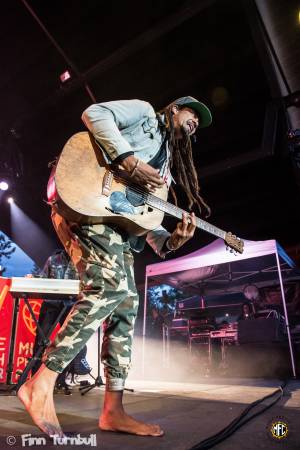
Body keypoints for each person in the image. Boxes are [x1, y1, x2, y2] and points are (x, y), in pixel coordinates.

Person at [18, 96, 212, 438]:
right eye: (191, 113)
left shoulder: (165, 171)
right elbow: (93, 113)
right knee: (109, 287)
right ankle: (41, 382)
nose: (194, 121)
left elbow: (146, 221)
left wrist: (171, 241)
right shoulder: (143, 113)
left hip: (115, 226)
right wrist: (129, 161)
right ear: (174, 108)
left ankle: (113, 410)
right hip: (83, 200)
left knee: (126, 301)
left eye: (199, 122)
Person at [30, 249, 91, 394]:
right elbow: (43, 277)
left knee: (68, 341)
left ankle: (61, 380)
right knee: (41, 341)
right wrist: (33, 277)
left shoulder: (81, 260)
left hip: (70, 306)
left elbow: (87, 283)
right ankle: (34, 380)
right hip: (51, 304)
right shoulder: (53, 259)